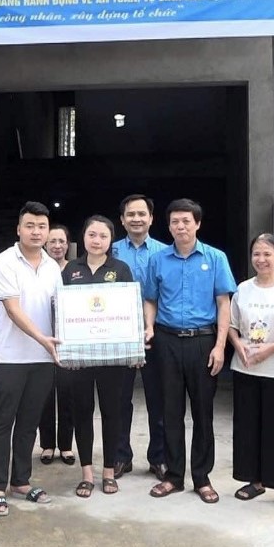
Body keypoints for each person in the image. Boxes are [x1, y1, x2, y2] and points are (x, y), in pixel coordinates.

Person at [144, 198, 236, 504]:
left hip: (203, 342)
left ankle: (202, 477)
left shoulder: (215, 258)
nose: (180, 226)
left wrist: (220, 347)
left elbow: (224, 303)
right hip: (166, 341)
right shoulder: (158, 259)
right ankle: (173, 476)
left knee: (203, 412)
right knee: (170, 411)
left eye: (186, 221)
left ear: (197, 223)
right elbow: (151, 299)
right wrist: (149, 327)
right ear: (168, 226)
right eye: (175, 222)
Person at [0, 201, 61, 516]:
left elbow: (61, 310)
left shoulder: (52, 266)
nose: (36, 232)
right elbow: (13, 309)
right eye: (29, 225)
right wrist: (43, 338)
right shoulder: (5, 262)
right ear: (19, 229)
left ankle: (21, 481)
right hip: (10, 356)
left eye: (41, 226)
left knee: (29, 422)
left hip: (43, 358)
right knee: (3, 422)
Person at [61, 215, 135, 498]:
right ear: (83, 237)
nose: (97, 240)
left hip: (112, 357)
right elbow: (62, 310)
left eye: (103, 236)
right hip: (80, 356)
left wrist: (132, 347)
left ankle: (108, 472)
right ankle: (87, 473)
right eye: (92, 235)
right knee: (82, 411)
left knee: (112, 411)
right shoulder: (71, 269)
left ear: (110, 240)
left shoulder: (121, 269)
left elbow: (129, 310)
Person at [228, 233, 274, 511]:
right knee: (248, 426)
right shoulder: (243, 289)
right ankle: (255, 481)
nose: (261, 259)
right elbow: (232, 325)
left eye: (267, 254)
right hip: (246, 367)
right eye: (256, 254)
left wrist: (269, 349)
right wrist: (238, 345)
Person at [111, 194, 168, 481]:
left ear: (151, 218)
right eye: (130, 214)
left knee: (159, 398)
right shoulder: (109, 250)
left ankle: (159, 458)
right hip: (118, 334)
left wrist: (150, 326)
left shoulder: (165, 252)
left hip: (155, 333)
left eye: (141, 214)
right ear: (122, 220)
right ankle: (120, 456)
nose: (136, 219)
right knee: (119, 399)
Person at [38, 223, 76, 466]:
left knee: (67, 393)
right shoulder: (39, 269)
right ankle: (47, 444)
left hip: (68, 341)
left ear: (68, 244)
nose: (57, 245)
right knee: (44, 394)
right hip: (41, 339)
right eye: (52, 241)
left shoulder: (75, 270)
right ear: (45, 243)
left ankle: (66, 445)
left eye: (62, 241)